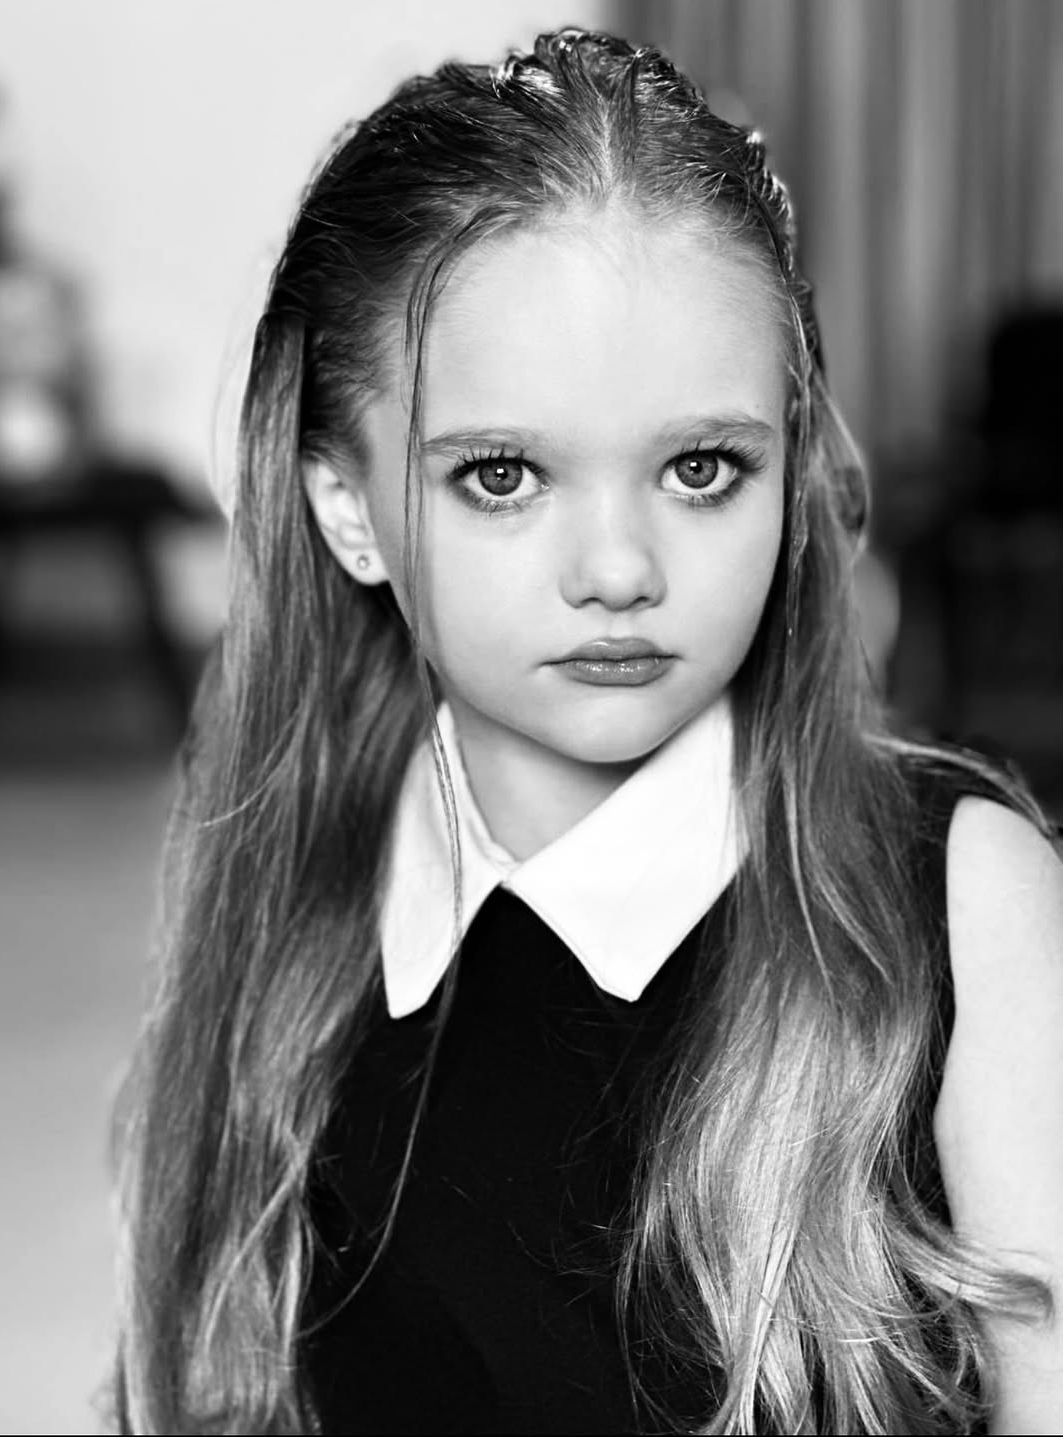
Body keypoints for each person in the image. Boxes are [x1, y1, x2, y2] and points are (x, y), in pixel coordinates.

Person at [111, 29, 1063, 1436]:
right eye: (503, 475)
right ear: (347, 508)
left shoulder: (963, 899)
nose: (618, 569)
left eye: (702, 467)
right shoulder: (293, 902)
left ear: (792, 469)